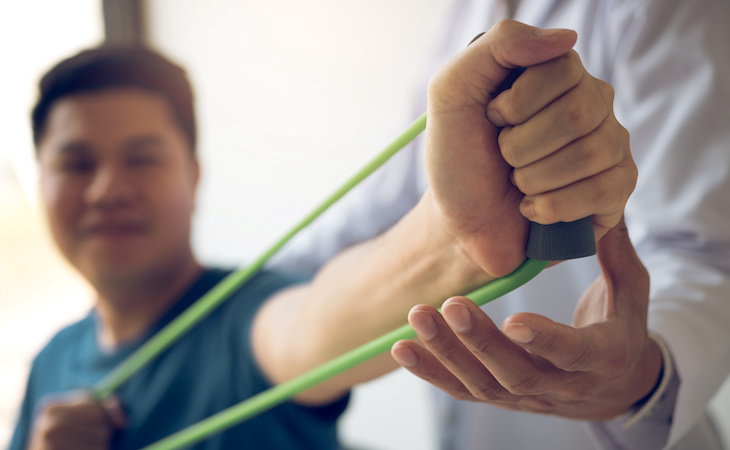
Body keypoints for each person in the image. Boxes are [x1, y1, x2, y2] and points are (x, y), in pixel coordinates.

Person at [9, 21, 638, 450]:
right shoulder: (51, 362)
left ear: (195, 177)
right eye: (76, 163)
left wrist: (455, 238)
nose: (107, 189)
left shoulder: (245, 317)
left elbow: (313, 323)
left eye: (143, 158)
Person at [270, 0, 730, 449]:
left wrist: (647, 370)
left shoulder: (662, 8)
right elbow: (386, 205)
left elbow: (702, 249)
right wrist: (242, 305)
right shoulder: (458, 13)